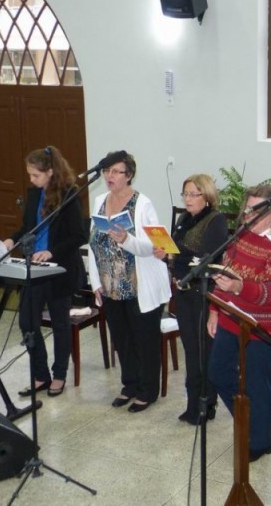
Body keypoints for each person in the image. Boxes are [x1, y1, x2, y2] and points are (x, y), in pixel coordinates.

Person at [207, 184, 271, 462]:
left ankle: (260, 441)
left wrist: (239, 288)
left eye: (258, 211)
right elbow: (224, 273)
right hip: (230, 317)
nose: (250, 217)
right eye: (249, 210)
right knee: (217, 373)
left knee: (258, 384)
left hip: (262, 328)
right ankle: (249, 419)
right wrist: (214, 309)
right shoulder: (241, 234)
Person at [88, 151, 171, 413]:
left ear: (129, 175)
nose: (109, 176)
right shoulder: (100, 200)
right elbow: (93, 244)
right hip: (110, 285)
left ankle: (148, 390)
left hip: (139, 285)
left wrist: (127, 240)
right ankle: (130, 385)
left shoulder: (142, 204)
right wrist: (95, 282)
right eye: (107, 171)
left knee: (143, 340)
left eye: (116, 172)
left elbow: (155, 247)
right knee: (122, 339)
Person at [4, 146, 85, 398]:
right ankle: (40, 375)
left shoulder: (69, 194)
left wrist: (52, 252)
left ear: (50, 172)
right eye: (29, 175)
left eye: (35, 175)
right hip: (33, 269)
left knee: (60, 324)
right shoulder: (33, 194)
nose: (31, 180)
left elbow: (79, 236)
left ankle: (59, 375)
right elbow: (28, 228)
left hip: (59, 269)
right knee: (27, 322)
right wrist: (11, 240)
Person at [159, 174, 228, 425]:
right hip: (183, 291)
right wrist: (164, 255)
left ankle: (207, 403)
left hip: (203, 293)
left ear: (207, 197)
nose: (187, 199)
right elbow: (177, 256)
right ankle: (192, 402)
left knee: (203, 350)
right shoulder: (183, 219)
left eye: (193, 194)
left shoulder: (216, 220)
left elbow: (209, 259)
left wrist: (176, 255)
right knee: (190, 349)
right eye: (185, 194)